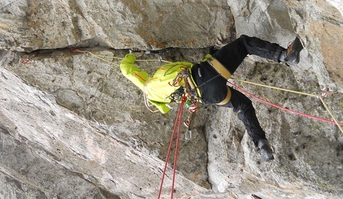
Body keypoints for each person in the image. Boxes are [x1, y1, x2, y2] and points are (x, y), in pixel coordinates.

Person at [120, 35, 303, 162]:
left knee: (243, 106)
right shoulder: (149, 85)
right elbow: (127, 70)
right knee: (244, 44)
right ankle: (285, 55)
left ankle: (261, 142)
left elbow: (165, 105)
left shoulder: (163, 98)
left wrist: (210, 57)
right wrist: (130, 55)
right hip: (202, 76)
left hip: (208, 96)